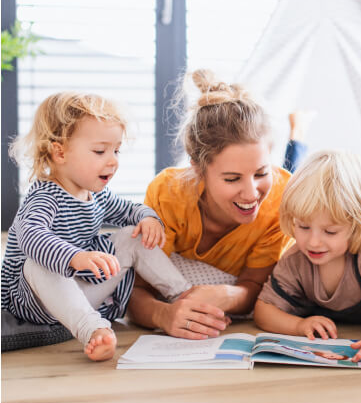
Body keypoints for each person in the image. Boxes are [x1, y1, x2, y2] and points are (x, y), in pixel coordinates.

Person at [1, 92, 194, 361]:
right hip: (34, 300)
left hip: (80, 290)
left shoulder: (97, 194)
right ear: (60, 152)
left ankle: (184, 293)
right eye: (100, 151)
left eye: (116, 150)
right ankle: (93, 329)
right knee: (36, 264)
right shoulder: (45, 198)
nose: (113, 160)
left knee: (131, 235)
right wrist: (75, 257)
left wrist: (148, 218)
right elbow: (31, 237)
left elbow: (129, 210)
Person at [126, 69, 304, 339]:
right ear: (198, 169)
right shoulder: (169, 193)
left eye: (261, 173)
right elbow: (135, 290)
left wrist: (227, 295)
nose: (251, 193)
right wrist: (162, 314)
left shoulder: (280, 200)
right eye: (232, 179)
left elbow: (256, 286)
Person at [254, 150, 361, 369]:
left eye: (330, 232)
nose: (313, 242)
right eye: (303, 226)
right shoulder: (295, 259)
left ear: (358, 227)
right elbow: (263, 310)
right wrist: (298, 325)